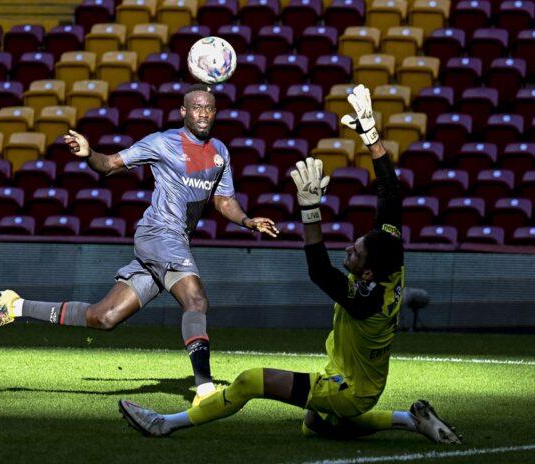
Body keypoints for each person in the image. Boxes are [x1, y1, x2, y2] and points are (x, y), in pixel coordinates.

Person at [117, 85, 462, 444]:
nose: (349, 249)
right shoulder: (391, 254)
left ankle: (166, 423)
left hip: (345, 388)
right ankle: (411, 420)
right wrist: (372, 137)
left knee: (251, 381)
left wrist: (310, 209)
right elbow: (390, 193)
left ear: (368, 273)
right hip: (359, 380)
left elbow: (320, 271)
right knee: (316, 426)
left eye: (355, 254)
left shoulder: (365, 300)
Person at [0, 84, 279, 404]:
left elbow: (223, 201)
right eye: (196, 108)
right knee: (195, 300)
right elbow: (110, 164)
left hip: (173, 241)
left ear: (215, 112)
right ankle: (205, 388)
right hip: (159, 234)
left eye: (209, 108)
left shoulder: (219, 151)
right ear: (183, 112)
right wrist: (88, 154)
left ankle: (15, 305)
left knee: (103, 317)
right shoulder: (162, 142)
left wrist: (247, 221)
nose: (203, 113)